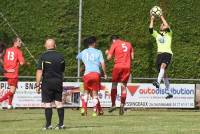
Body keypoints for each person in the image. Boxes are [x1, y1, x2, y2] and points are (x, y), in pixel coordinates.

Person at [35, 39, 65, 130]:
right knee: (59, 103)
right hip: (58, 82)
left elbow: (39, 71)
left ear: (45, 46)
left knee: (47, 104)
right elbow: (62, 70)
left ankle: (48, 125)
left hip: (47, 83)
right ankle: (61, 124)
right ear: (55, 45)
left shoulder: (43, 56)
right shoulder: (61, 56)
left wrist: (37, 85)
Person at [76, 36, 107, 117]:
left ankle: (84, 109)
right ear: (94, 43)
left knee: (86, 92)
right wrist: (105, 73)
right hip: (96, 74)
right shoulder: (98, 52)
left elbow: (78, 57)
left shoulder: (84, 51)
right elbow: (103, 63)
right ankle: (94, 112)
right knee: (95, 94)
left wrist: (84, 66)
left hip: (87, 74)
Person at [105, 35, 134, 115]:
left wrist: (108, 53)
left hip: (118, 67)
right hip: (127, 67)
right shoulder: (129, 44)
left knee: (114, 85)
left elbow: (108, 58)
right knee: (124, 86)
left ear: (113, 40)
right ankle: (122, 104)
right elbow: (132, 57)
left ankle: (113, 104)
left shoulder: (114, 44)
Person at [149, 14, 173, 99]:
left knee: (163, 66)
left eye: (163, 25)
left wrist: (161, 16)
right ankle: (168, 92)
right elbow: (151, 29)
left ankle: (158, 82)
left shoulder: (169, 33)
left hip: (167, 53)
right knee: (164, 74)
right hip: (159, 55)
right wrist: (152, 19)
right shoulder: (157, 35)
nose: (162, 25)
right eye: (161, 25)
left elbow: (167, 25)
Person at [0, 37, 25, 109]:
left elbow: (1, 58)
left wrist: (5, 67)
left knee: (12, 90)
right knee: (12, 91)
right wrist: (26, 62)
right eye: (19, 41)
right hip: (13, 74)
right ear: (15, 43)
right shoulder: (18, 51)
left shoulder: (7, 50)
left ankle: (9, 105)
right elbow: (22, 63)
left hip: (7, 73)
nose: (21, 43)